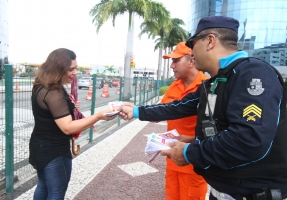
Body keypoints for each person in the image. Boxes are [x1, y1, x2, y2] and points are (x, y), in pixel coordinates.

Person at [119, 16, 287, 200]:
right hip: (221, 191)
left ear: (209, 41)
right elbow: (178, 107)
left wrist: (188, 152)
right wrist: (136, 111)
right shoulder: (213, 82)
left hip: (254, 194)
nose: (192, 52)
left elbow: (247, 140)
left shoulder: (253, 74)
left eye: (193, 44)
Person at [29, 48, 115, 200]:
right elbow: (67, 126)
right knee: (56, 192)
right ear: (58, 68)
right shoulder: (54, 92)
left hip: (39, 146)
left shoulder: (41, 86)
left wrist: (70, 107)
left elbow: (52, 114)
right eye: (71, 69)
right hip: (54, 151)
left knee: (42, 185)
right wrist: (98, 116)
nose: (75, 72)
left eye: (75, 68)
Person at [161, 42, 209, 200]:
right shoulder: (173, 87)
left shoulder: (207, 87)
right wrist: (135, 110)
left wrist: (190, 141)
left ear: (191, 61)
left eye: (176, 61)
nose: (172, 66)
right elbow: (160, 111)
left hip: (193, 164)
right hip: (172, 160)